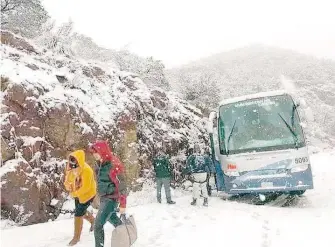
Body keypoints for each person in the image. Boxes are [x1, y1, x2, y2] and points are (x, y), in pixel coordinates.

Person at [88, 140, 128, 247]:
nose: (94, 155)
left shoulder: (113, 165)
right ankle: (125, 234)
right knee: (112, 218)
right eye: (93, 153)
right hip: (104, 198)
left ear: (102, 151)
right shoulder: (100, 164)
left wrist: (123, 204)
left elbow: (122, 186)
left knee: (98, 225)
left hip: (111, 199)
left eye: (95, 152)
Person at [64, 150, 97, 246]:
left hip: (88, 195)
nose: (73, 166)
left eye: (75, 163)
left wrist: (74, 194)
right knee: (81, 211)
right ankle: (93, 221)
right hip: (77, 193)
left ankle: (76, 237)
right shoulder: (70, 167)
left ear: (79, 161)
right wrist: (68, 186)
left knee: (78, 214)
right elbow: (67, 180)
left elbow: (86, 188)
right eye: (71, 163)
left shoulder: (87, 170)